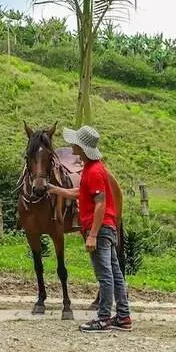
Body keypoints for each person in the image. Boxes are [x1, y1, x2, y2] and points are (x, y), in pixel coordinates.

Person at [47, 125, 132, 332]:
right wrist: (58, 189)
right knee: (115, 273)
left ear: (82, 147)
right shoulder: (93, 169)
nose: (72, 145)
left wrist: (92, 234)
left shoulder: (94, 171)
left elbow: (100, 203)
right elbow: (81, 193)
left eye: (75, 142)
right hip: (106, 228)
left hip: (100, 229)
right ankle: (123, 317)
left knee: (105, 275)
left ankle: (103, 318)